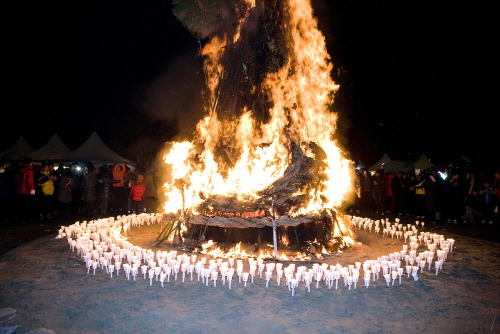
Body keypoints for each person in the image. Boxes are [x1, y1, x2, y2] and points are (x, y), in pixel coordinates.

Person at [15, 157, 36, 223]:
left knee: (21, 206)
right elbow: (29, 181)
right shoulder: (29, 170)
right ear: (29, 162)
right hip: (27, 190)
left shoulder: (19, 169)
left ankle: (21, 219)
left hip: (20, 190)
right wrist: (32, 189)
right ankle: (27, 220)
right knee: (27, 206)